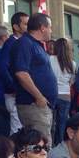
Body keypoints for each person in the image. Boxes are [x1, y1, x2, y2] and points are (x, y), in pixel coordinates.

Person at [12, 13, 57, 144]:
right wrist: (39, 97)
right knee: (40, 146)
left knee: (45, 142)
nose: (51, 31)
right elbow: (21, 73)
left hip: (42, 106)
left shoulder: (36, 45)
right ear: (43, 28)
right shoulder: (25, 44)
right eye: (50, 27)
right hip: (33, 105)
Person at [0, 12, 29, 133]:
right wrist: (15, 87)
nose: (29, 27)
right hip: (14, 94)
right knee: (17, 128)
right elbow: (3, 67)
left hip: (23, 93)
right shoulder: (11, 43)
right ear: (16, 27)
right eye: (26, 24)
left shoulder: (24, 42)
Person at [50, 37, 75, 142]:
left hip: (52, 94)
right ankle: (60, 143)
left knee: (51, 122)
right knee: (62, 123)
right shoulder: (72, 63)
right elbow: (71, 81)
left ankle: (50, 144)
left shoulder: (49, 59)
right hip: (65, 96)